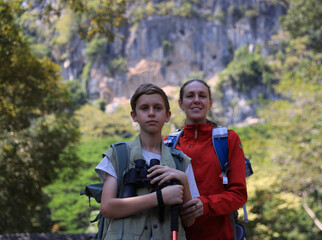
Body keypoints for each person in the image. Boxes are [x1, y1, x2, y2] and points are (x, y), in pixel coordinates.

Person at [95, 83, 197, 240]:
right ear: (134, 115)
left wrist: (182, 179)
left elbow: (190, 221)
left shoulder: (180, 162)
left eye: (157, 108)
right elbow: (107, 208)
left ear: (167, 115)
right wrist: (159, 197)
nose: (151, 113)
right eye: (144, 108)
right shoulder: (118, 155)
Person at [172, 79, 247, 240]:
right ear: (181, 103)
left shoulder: (228, 140)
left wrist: (205, 205)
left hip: (220, 234)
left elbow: (239, 194)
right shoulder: (169, 145)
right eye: (190, 96)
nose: (196, 100)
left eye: (202, 96)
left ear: (210, 103)